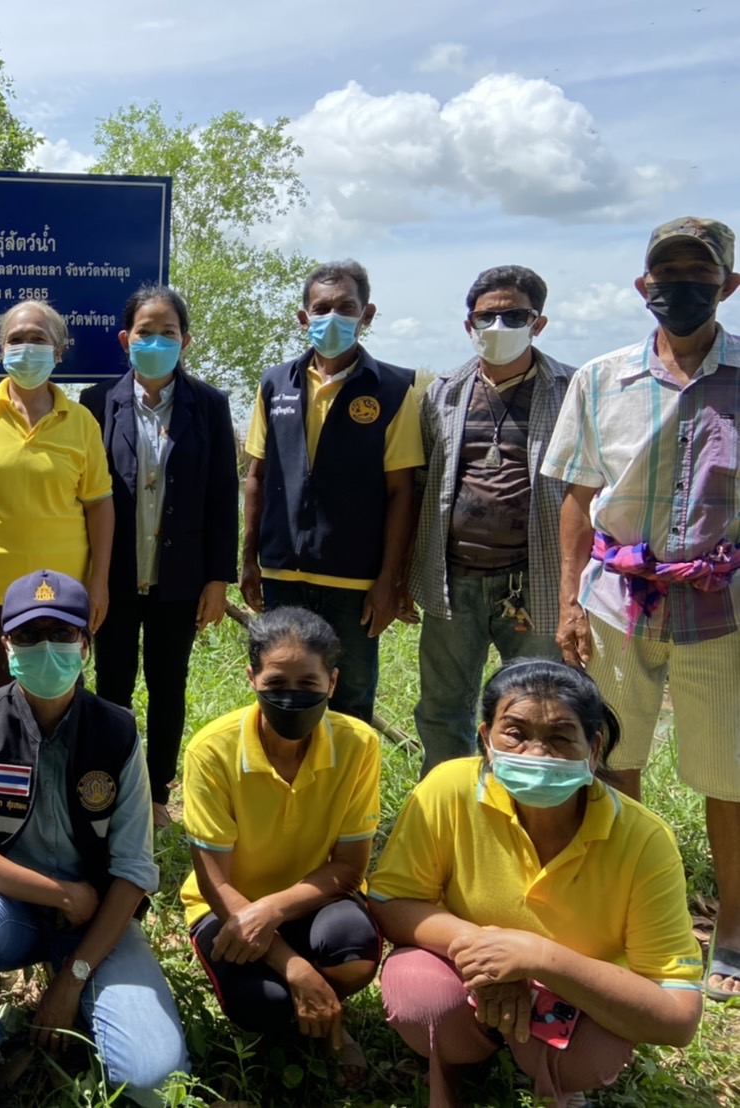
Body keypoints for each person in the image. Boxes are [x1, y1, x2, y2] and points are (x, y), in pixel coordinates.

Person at [541, 217, 740, 1001]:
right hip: (617, 604)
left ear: (728, 285)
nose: (680, 285)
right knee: (616, 765)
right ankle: (631, 920)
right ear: (642, 287)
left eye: (700, 271)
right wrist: (568, 602)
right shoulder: (601, 378)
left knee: (727, 779)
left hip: (721, 612)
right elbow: (577, 496)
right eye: (667, 273)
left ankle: (730, 933)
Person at [369, 659, 704, 1107]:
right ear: (486, 739)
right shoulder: (448, 789)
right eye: (516, 733)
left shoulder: (644, 839)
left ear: (594, 747)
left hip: (575, 996)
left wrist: (540, 959)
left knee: (591, 1055)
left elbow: (678, 1017)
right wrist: (490, 952)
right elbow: (392, 898)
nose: (535, 754)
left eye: (561, 737)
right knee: (418, 992)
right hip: (464, 974)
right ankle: (459, 1057)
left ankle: (554, 1074)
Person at [0, 569, 189, 1108]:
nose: (46, 648)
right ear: (6, 645)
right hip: (8, 909)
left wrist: (73, 979)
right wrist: (61, 894)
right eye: (28, 636)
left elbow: (134, 871)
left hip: (95, 920)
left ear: (85, 644)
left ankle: (89, 995)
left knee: (153, 1080)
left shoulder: (117, 733)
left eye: (62, 634)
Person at [181, 607, 381, 1087]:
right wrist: (291, 964)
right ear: (251, 677)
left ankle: (323, 1006)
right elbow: (215, 881)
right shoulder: (212, 752)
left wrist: (270, 912)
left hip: (314, 898)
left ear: (332, 683)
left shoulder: (359, 746)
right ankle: (311, 998)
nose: (292, 697)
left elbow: (349, 868)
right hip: (228, 908)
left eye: (308, 685)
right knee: (264, 1004)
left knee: (353, 950)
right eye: (276, 682)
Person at [81, 285, 238, 827]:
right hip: (116, 578)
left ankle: (155, 795)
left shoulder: (210, 405)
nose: (155, 340)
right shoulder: (97, 402)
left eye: (167, 332)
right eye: (145, 331)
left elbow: (223, 495)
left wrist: (219, 578)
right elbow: (88, 496)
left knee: (168, 685)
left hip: (180, 579)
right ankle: (112, 789)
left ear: (185, 341)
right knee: (113, 685)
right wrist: (91, 578)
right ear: (126, 340)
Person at [239, 260, 422, 723]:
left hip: (355, 582)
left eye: (347, 307)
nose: (333, 317)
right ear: (304, 317)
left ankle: (346, 794)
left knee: (352, 700)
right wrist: (248, 560)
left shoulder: (396, 389)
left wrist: (389, 580)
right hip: (283, 574)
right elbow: (256, 476)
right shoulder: (274, 383)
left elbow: (402, 492)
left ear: (368, 314)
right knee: (280, 694)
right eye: (322, 308)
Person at [408, 266, 572, 775]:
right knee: (442, 709)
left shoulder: (570, 390)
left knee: (538, 708)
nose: (499, 324)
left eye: (514, 315)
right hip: (452, 581)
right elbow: (422, 485)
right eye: (487, 316)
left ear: (538, 323)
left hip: (536, 582)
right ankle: (445, 814)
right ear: (469, 325)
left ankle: (526, 810)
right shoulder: (443, 393)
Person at [0, 301, 115, 695]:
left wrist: (99, 581)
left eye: (38, 339)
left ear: (58, 351)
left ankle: (56, 760)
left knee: (60, 693)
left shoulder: (82, 423)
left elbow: (99, 505)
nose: (26, 347)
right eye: (16, 339)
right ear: (1, 350)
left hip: (64, 593)